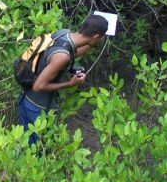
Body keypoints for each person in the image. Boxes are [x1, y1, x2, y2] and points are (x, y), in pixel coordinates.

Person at [17, 14, 108, 146]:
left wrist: (91, 44)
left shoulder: (62, 34)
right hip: (38, 110)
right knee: (39, 152)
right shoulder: (62, 57)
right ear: (96, 37)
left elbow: (74, 51)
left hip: (25, 98)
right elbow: (38, 86)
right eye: (101, 38)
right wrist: (70, 83)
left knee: (25, 147)